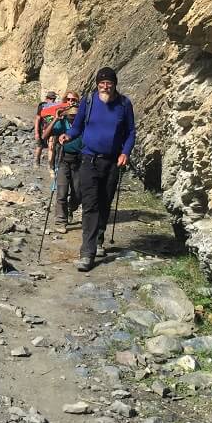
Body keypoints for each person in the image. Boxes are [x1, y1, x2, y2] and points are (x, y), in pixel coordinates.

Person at [59, 67, 135, 271]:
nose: (105, 86)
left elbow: (130, 131)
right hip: (88, 160)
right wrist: (69, 136)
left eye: (109, 82)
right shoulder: (89, 101)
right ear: (97, 84)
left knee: (104, 202)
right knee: (90, 204)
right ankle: (87, 252)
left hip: (111, 162)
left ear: (114, 84)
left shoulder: (124, 104)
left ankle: (99, 238)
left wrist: (125, 152)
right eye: (102, 82)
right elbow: (78, 127)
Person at [42, 92, 82, 234]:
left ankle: (71, 208)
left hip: (80, 161)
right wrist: (55, 119)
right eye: (68, 99)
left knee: (78, 193)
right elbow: (44, 136)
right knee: (61, 192)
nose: (71, 102)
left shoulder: (84, 122)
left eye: (74, 100)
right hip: (64, 160)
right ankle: (61, 220)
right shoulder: (62, 121)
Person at [33, 90, 57, 166]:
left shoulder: (56, 107)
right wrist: (36, 132)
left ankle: (50, 165)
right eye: (50, 98)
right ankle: (37, 161)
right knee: (40, 146)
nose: (52, 100)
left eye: (53, 99)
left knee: (51, 146)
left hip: (52, 129)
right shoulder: (42, 106)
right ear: (47, 98)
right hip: (42, 129)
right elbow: (37, 119)